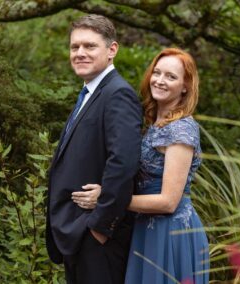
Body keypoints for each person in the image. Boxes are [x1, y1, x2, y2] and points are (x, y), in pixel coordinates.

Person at [72, 48, 209, 283]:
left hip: (171, 233)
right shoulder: (154, 122)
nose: (160, 80)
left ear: (185, 86)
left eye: (171, 76)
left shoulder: (182, 130)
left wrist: (108, 199)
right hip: (145, 228)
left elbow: (168, 202)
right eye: (157, 72)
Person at [46, 14, 142, 284]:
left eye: (89, 46)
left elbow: (123, 163)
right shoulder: (90, 93)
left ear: (112, 50)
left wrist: (101, 227)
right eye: (75, 47)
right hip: (77, 233)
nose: (80, 53)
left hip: (98, 237)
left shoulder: (117, 94)